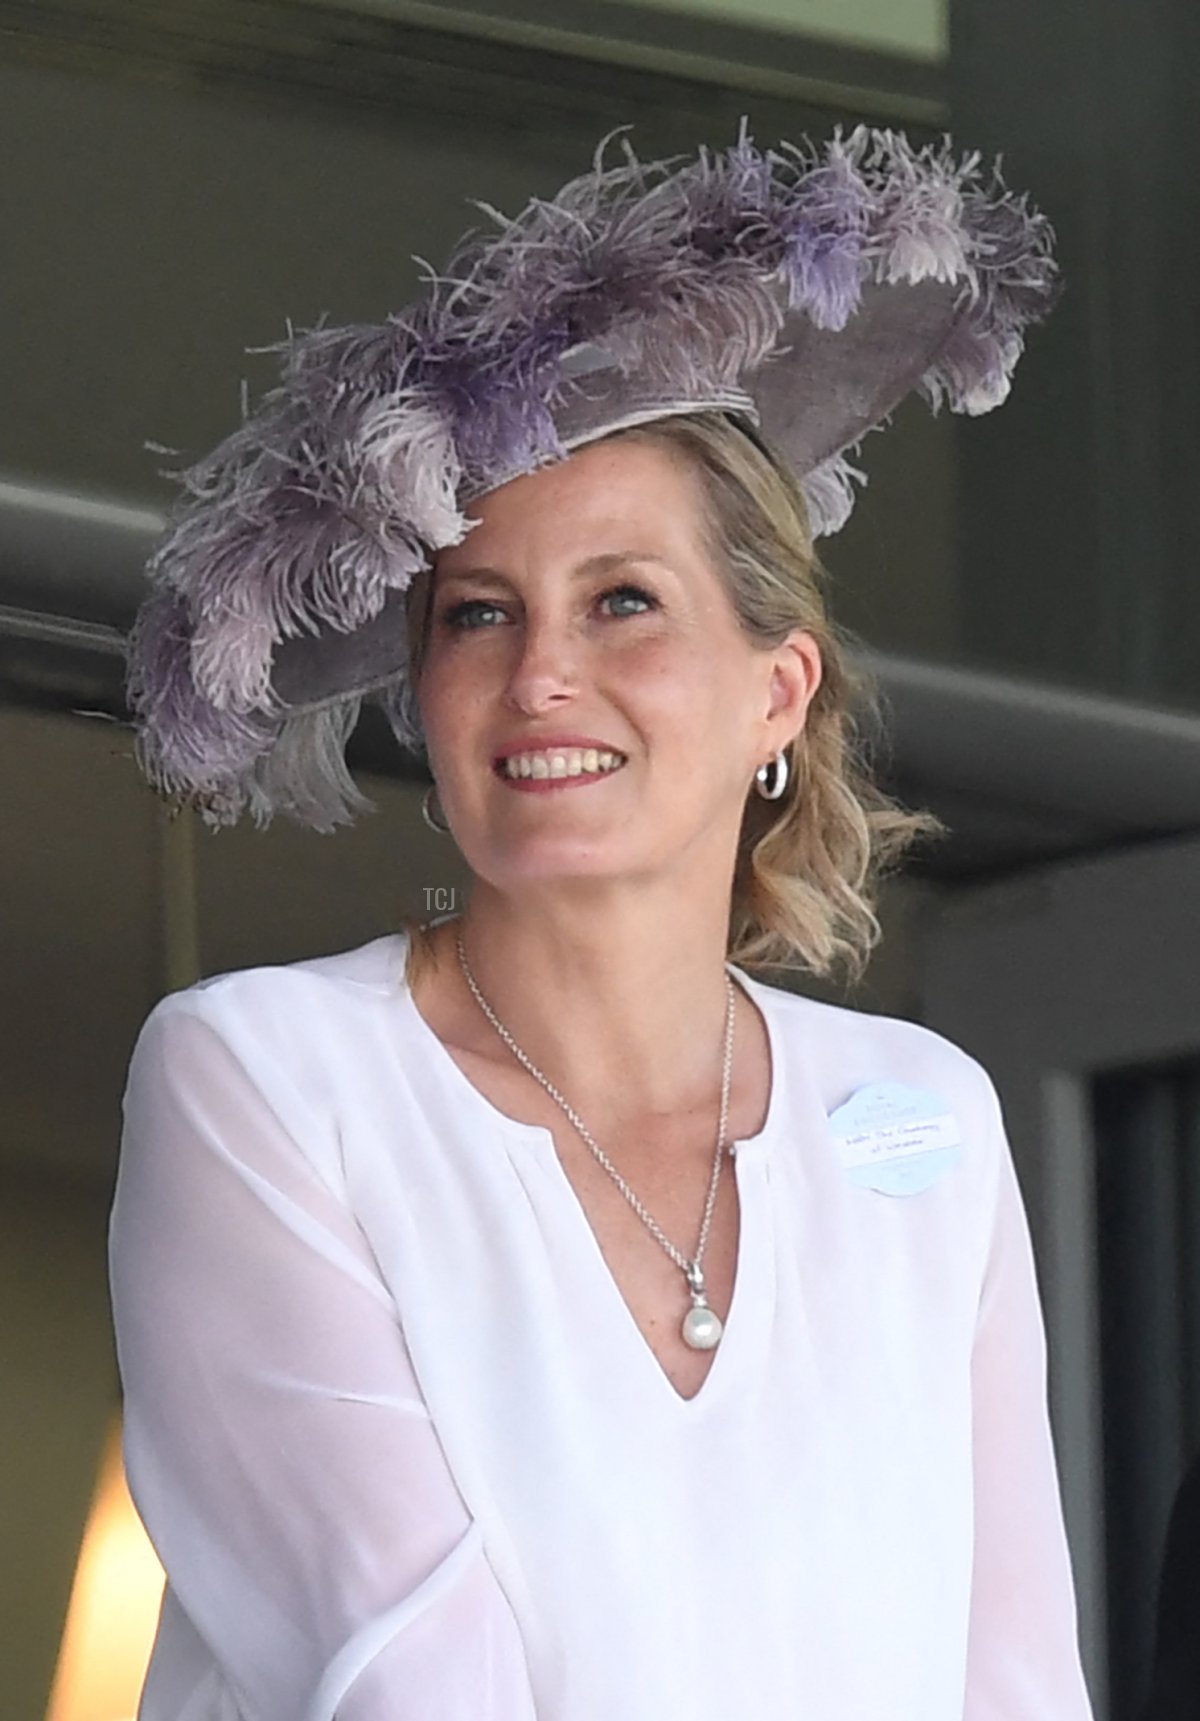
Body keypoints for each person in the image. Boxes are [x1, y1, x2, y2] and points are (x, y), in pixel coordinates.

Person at [110, 123, 1095, 1719]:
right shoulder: (270, 1079)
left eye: (622, 601)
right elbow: (402, 1677)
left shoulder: (926, 1122)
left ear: (779, 688)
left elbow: (1015, 1683)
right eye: (479, 614)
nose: (541, 677)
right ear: (423, 698)